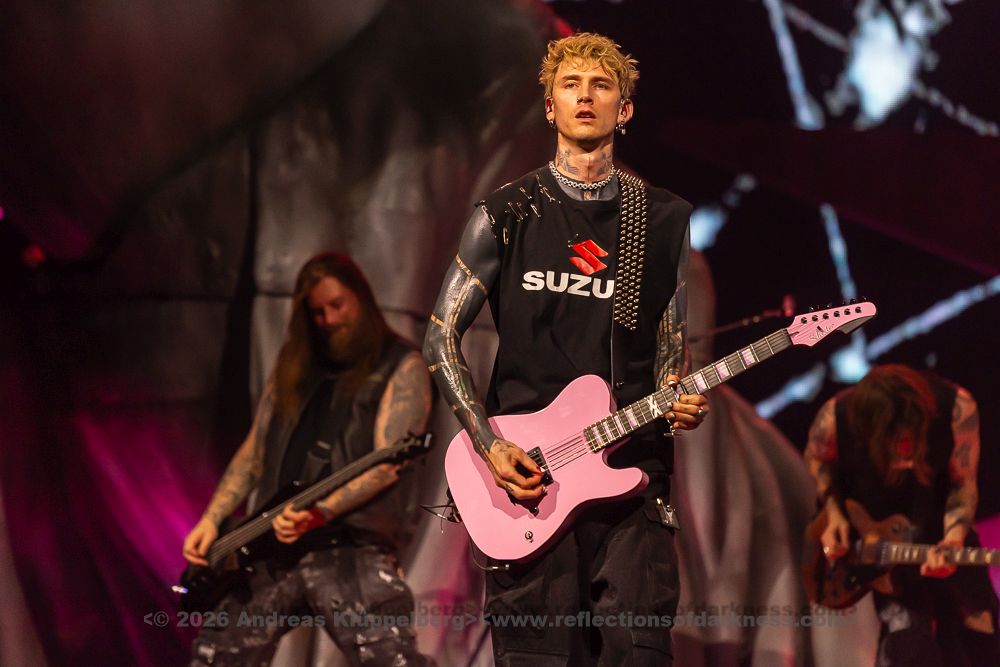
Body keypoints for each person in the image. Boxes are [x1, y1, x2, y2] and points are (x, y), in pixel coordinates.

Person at [423, 32, 708, 666]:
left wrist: (679, 401)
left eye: (601, 85)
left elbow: (671, 354)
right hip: (531, 475)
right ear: (550, 106)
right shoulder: (505, 213)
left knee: (638, 651)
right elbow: (440, 335)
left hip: (633, 472)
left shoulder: (662, 219)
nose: (585, 95)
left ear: (624, 109)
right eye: (571, 84)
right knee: (538, 656)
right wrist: (489, 443)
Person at [182, 252, 434, 666]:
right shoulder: (294, 365)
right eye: (317, 312)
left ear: (361, 299)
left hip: (351, 545)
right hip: (271, 548)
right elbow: (255, 450)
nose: (329, 320)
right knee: (216, 656)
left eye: (337, 305)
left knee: (389, 659)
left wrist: (321, 512)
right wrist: (212, 518)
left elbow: (388, 465)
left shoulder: (401, 364)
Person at [805, 363, 999, 666]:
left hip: (938, 527)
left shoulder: (956, 406)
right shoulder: (835, 416)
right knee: (908, 645)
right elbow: (817, 460)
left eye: (910, 435)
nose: (904, 449)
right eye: (894, 439)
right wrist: (834, 514)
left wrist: (953, 538)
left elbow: (962, 483)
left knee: (981, 639)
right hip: (875, 542)